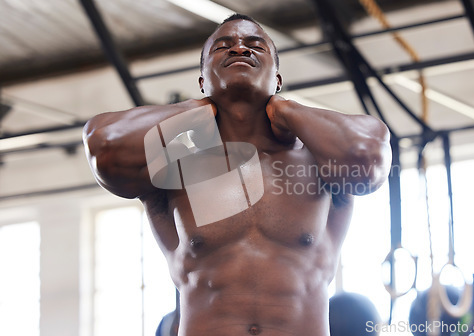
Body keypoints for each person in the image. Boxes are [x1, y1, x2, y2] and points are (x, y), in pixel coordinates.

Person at [83, 13, 391, 336]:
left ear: (278, 79)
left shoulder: (320, 158)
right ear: (202, 81)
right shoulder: (172, 166)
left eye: (255, 45)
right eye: (223, 46)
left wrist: (287, 110)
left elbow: (368, 158)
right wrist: (195, 111)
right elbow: (103, 147)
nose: (240, 49)